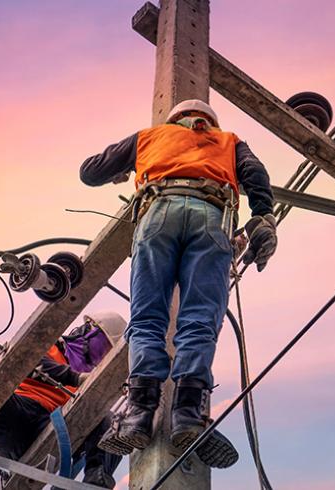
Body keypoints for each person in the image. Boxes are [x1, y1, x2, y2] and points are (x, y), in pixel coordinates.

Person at [80, 99, 277, 455]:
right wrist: (263, 215)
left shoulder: (150, 137)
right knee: (200, 319)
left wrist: (118, 170)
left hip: (159, 214)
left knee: (147, 317)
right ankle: (188, 413)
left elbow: (89, 171)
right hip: (211, 217)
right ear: (209, 122)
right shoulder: (229, 141)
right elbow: (256, 174)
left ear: (174, 120)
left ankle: (139, 412)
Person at [0, 311, 127, 487]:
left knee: (108, 419)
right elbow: (26, 361)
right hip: (14, 415)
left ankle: (97, 480)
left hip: (49, 430)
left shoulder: (93, 382)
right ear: (88, 331)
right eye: (103, 348)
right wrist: (73, 377)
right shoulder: (48, 346)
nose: (98, 359)